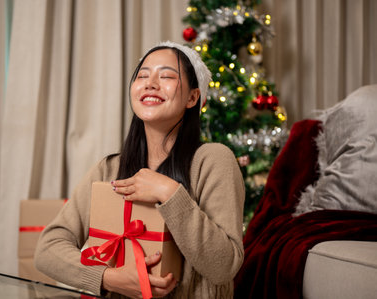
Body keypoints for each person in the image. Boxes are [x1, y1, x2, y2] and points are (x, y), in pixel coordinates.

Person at [34, 41, 245, 299]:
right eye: (142, 76)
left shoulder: (213, 160)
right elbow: (47, 249)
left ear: (193, 97)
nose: (150, 83)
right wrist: (109, 279)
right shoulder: (110, 168)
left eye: (166, 76)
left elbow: (223, 267)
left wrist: (169, 192)